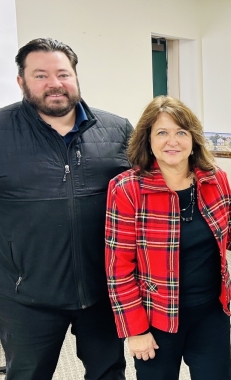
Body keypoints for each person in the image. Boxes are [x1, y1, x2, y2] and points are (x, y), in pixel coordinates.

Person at [0, 38, 131, 379]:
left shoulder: (117, 130)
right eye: (40, 75)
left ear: (75, 76)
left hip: (102, 290)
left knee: (109, 372)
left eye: (62, 73)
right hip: (26, 296)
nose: (54, 84)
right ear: (21, 82)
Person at [105, 96, 231, 379]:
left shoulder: (214, 179)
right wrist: (135, 330)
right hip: (156, 318)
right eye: (161, 132)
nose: (172, 141)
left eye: (181, 132)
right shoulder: (127, 188)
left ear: (193, 139)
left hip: (211, 312)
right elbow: (118, 269)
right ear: (147, 139)